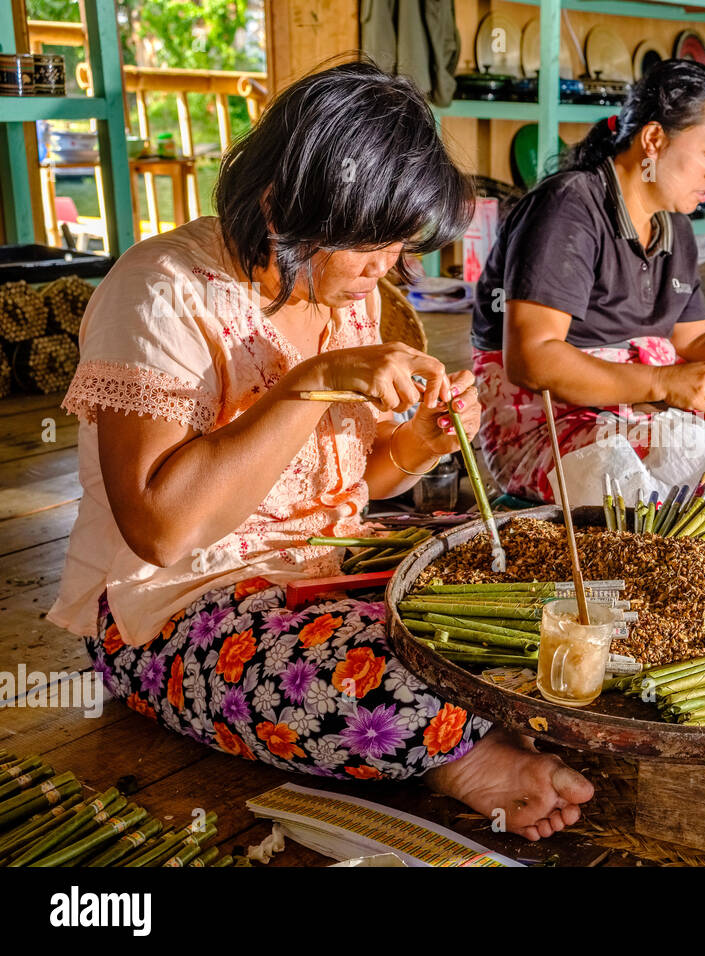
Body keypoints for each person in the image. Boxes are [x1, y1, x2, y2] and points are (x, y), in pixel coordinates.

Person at [48, 61, 593, 843]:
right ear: (282, 206)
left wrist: (420, 444)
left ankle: (470, 731)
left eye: (396, 247)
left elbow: (347, 490)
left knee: (525, 606)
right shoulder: (161, 290)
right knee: (399, 693)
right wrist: (313, 382)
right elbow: (160, 531)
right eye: (371, 246)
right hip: (176, 610)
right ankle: (456, 753)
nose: (384, 270)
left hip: (325, 569)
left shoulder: (347, 293)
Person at [470, 59, 705, 502]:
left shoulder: (674, 226)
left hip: (637, 404)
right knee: (684, 450)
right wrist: (664, 384)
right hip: (545, 424)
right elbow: (533, 360)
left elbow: (699, 341)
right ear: (654, 139)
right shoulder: (568, 208)